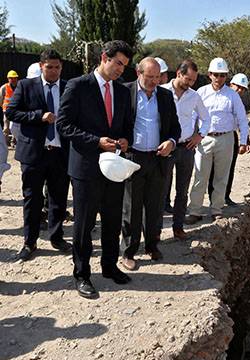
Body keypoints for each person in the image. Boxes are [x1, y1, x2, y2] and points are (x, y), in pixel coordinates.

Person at [56, 40, 134, 299]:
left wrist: (124, 140)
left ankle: (110, 267)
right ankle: (82, 274)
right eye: (118, 63)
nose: (121, 70)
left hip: (114, 169)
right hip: (86, 168)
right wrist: (95, 142)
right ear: (104, 57)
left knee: (112, 222)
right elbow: (64, 125)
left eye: (125, 66)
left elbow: (126, 126)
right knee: (84, 225)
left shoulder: (122, 92)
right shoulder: (77, 86)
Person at [6, 50, 72, 261]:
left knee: (58, 198)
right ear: (41, 66)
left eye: (57, 67)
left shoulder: (68, 87)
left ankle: (56, 237)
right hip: (34, 153)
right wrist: (38, 116)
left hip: (60, 153)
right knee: (32, 199)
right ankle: (30, 241)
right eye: (50, 67)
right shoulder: (26, 86)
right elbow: (11, 112)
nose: (54, 71)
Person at [120, 57, 180, 270]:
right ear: (138, 73)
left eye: (157, 77)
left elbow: (175, 127)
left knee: (154, 207)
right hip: (133, 158)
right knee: (132, 207)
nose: (155, 81)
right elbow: (115, 123)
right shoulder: (124, 93)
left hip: (157, 159)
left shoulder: (165, 96)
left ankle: (152, 245)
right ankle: (128, 251)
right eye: (150, 77)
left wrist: (171, 143)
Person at [185, 58, 250, 224]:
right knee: (200, 176)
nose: (219, 78)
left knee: (221, 177)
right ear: (209, 75)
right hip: (204, 138)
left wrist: (243, 141)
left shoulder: (232, 95)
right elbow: (193, 115)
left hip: (226, 139)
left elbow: (242, 119)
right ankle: (195, 210)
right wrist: (191, 136)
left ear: (226, 76)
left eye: (222, 75)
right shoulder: (201, 92)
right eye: (216, 74)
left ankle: (216, 209)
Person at [159, 60, 209, 241]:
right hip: (165, 148)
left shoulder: (194, 96)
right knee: (161, 190)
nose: (191, 83)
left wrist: (200, 135)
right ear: (179, 74)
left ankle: (178, 228)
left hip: (186, 148)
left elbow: (206, 118)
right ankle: (155, 233)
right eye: (188, 79)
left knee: (182, 191)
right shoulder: (161, 91)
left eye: (194, 80)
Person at [208, 73, 250, 206]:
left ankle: (225, 196)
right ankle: (212, 198)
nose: (240, 90)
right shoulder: (221, 96)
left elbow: (242, 122)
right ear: (231, 84)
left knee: (229, 168)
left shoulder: (237, 101)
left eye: (242, 89)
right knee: (213, 169)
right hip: (212, 135)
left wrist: (246, 141)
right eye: (237, 87)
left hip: (231, 136)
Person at [1, 70, 19, 147]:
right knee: (6, 128)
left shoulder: (20, 86)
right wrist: (4, 107)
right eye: (11, 78)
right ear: (8, 79)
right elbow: (1, 99)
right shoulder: (4, 87)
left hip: (17, 111)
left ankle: (14, 141)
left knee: (16, 127)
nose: (13, 79)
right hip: (7, 111)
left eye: (15, 78)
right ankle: (5, 142)